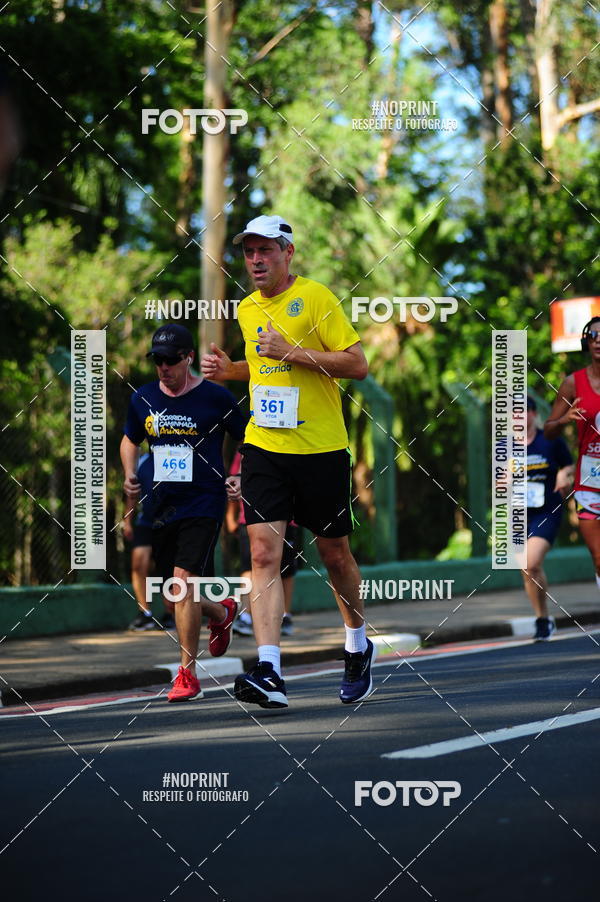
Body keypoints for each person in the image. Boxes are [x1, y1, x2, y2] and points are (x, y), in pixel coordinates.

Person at [202, 214, 374, 709]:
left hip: (320, 449)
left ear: (287, 253)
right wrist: (226, 370)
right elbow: (263, 368)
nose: (255, 260)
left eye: (265, 251)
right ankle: (270, 671)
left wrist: (294, 351)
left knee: (334, 555)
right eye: (249, 252)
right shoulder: (248, 308)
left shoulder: (317, 298)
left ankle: (357, 643)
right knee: (261, 557)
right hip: (264, 447)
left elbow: (357, 365)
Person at [120, 323, 247, 702]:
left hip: (204, 502)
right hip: (162, 504)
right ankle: (221, 612)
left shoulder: (216, 398)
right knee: (175, 597)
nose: (163, 367)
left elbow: (249, 438)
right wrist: (129, 473)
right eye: (158, 360)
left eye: (171, 360)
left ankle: (188, 675)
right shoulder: (142, 398)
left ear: (188, 358)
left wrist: (241, 476)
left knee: (182, 580)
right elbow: (130, 439)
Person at [544, 316, 600, 602]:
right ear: (586, 342)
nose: (599, 340)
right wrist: (565, 418)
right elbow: (549, 431)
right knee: (598, 556)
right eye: (593, 335)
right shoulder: (572, 383)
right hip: (590, 482)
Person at [227, 451, 299, 637]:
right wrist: (230, 514)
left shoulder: (290, 444)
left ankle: (285, 615)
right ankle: (245, 616)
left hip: (285, 518)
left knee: (286, 568)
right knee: (249, 565)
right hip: (249, 518)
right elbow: (235, 481)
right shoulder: (244, 450)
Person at [522, 396, 573, 640]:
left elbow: (569, 465)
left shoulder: (550, 441)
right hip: (517, 514)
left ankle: (543, 620)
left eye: (523, 411)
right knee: (527, 569)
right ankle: (542, 618)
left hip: (546, 511)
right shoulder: (504, 446)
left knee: (531, 562)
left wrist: (564, 475)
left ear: (533, 414)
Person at [122, 452, 176, 631]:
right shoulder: (141, 461)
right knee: (139, 563)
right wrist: (127, 520)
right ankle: (145, 613)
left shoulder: (177, 456)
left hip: (172, 521)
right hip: (146, 522)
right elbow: (132, 491)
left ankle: (172, 614)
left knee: (168, 568)